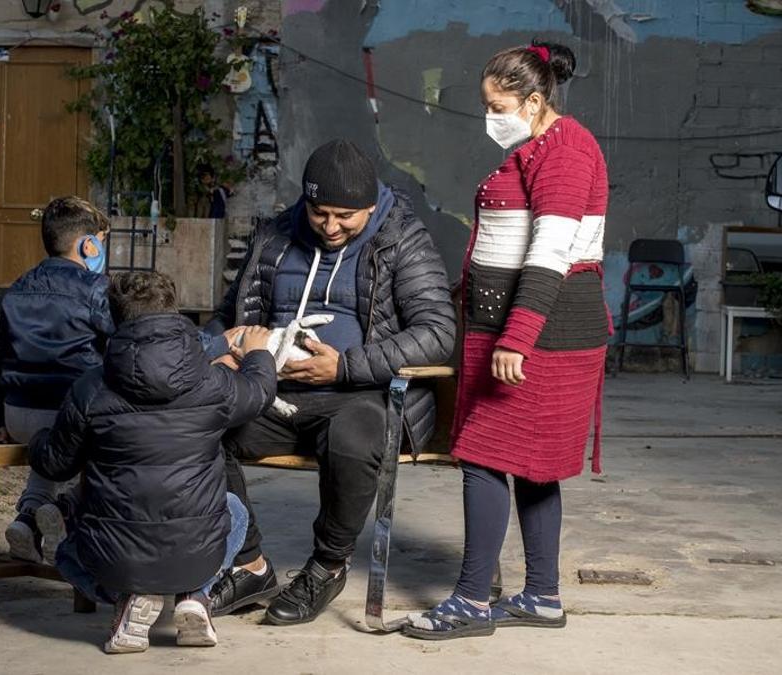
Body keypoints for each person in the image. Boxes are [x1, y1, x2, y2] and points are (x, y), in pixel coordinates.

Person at [202, 139, 457, 625]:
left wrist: (343, 367)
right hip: (269, 391)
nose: (331, 227)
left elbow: (437, 333)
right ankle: (249, 562)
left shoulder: (401, 238)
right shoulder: (276, 234)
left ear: (370, 205)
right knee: (200, 425)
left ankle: (328, 564)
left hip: (360, 394)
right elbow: (226, 311)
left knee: (356, 436)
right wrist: (223, 348)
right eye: (320, 213)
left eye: (346, 216)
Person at [403, 40, 609, 641]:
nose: (490, 115)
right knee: (533, 467)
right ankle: (542, 595)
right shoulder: (534, 147)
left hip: (543, 336)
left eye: (498, 105)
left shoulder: (567, 150)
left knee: (484, 457)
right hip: (512, 328)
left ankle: (470, 602)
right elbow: (507, 237)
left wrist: (516, 337)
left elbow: (551, 252)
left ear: (535, 99)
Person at [29, 271, 279, 654]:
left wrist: (36, 439)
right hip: (197, 556)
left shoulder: (91, 388)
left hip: (115, 563)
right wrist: (260, 353)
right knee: (234, 510)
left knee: (64, 547)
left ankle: (129, 600)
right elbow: (260, 393)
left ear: (114, 320)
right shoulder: (212, 383)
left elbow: (55, 465)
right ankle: (196, 595)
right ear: (175, 313)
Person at [0, 196, 113, 565]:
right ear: (89, 245)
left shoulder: (19, 287)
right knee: (110, 441)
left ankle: (27, 519)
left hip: (18, 416)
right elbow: (121, 347)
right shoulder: (95, 290)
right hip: (70, 418)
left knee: (49, 449)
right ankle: (67, 514)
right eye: (102, 241)